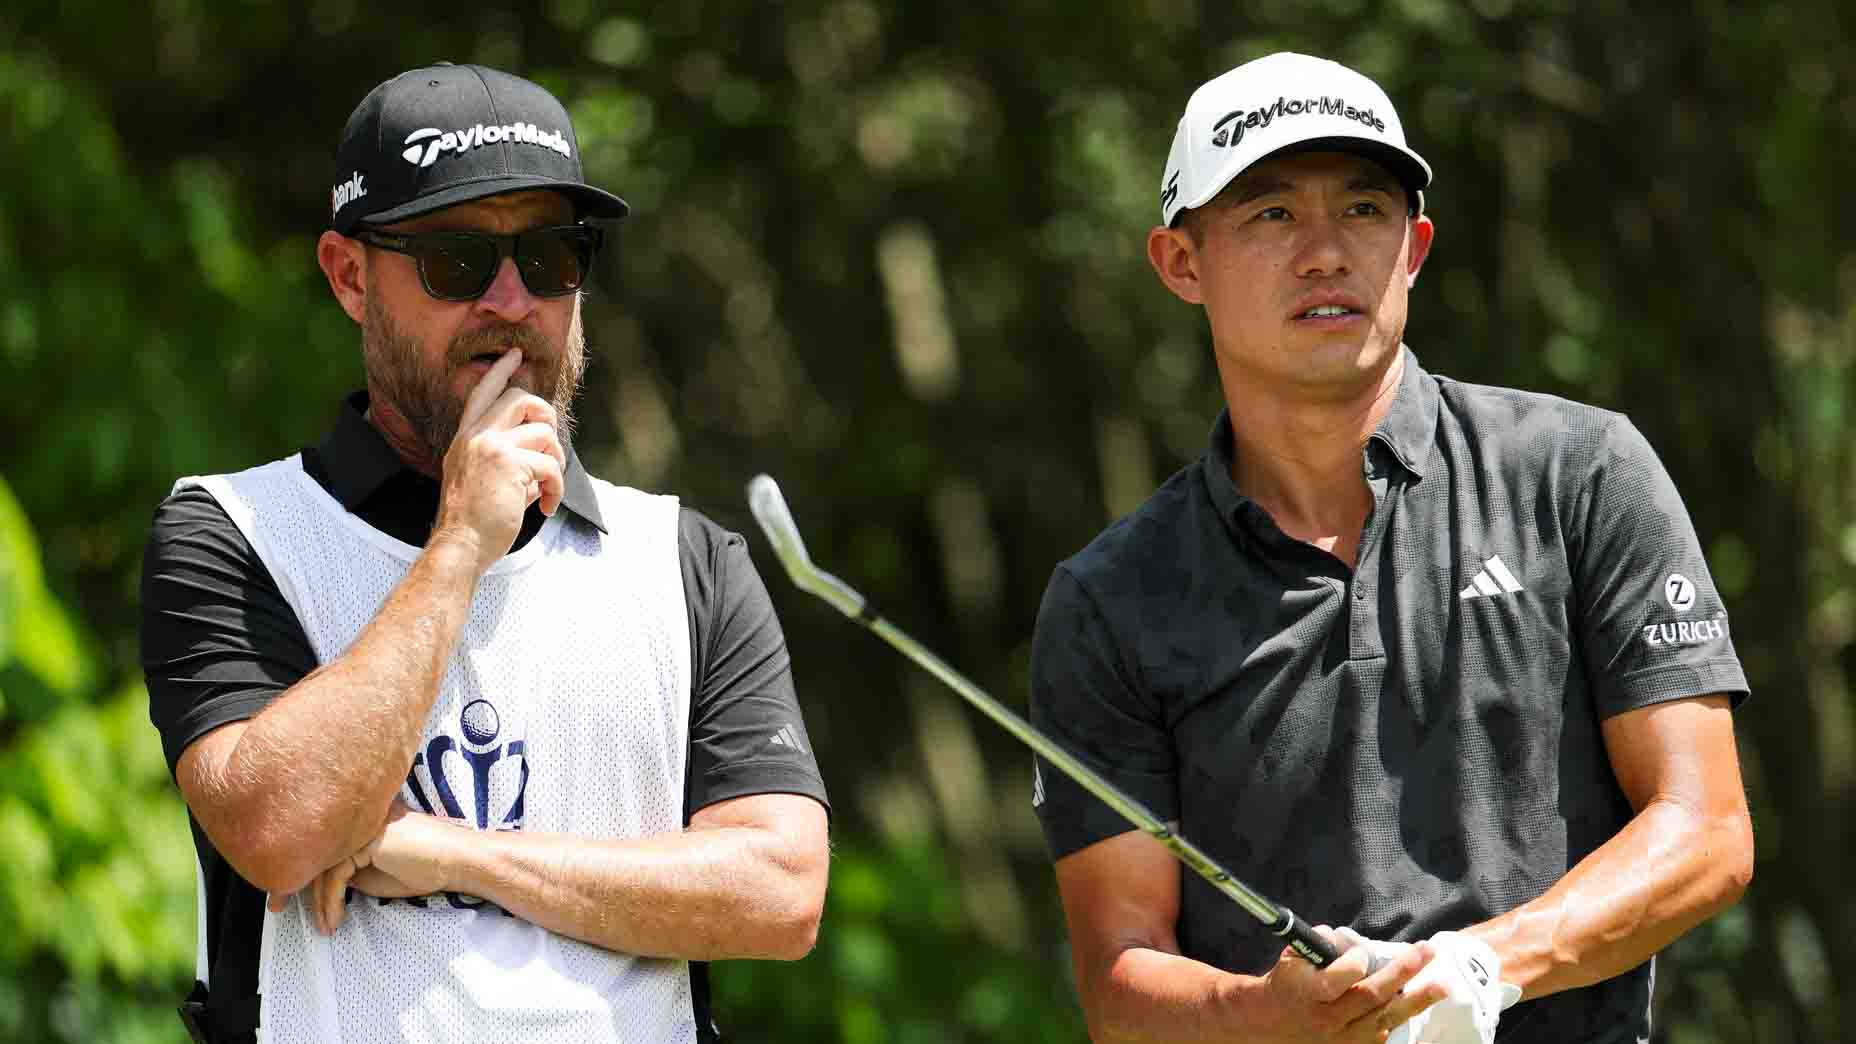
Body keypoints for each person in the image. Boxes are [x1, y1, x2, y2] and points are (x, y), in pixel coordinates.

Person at [1027, 52, 1753, 1044]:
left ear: (1413, 247)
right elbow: (1118, 973)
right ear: (1180, 263)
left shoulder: (1579, 473)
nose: (1324, 252)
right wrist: (1266, 1015)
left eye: (1363, 209)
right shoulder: (1111, 598)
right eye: (1270, 214)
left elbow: (1706, 829)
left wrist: (1482, 968)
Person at [140, 63, 830, 1044]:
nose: (512, 301)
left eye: (550, 256)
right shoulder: (234, 531)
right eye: (457, 261)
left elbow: (780, 894)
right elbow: (279, 833)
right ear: (349, 277)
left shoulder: (688, 561)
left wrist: (462, 857)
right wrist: (461, 544)